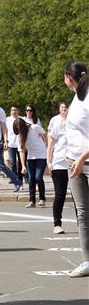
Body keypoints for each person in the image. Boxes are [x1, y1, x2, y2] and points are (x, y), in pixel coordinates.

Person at [63, 61, 89, 278]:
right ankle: (87, 260)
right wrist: (69, 153)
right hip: (74, 161)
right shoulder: (76, 96)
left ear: (70, 78)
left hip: (84, 161)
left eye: (65, 77)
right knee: (82, 213)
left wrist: (81, 158)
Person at [14, 117, 47, 208]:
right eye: (17, 130)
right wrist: (23, 165)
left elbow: (44, 133)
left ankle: (42, 199)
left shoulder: (34, 127)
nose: (19, 132)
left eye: (20, 129)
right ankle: (32, 201)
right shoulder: (19, 137)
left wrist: (46, 145)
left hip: (42, 155)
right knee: (31, 179)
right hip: (31, 157)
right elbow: (21, 151)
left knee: (38, 177)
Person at [47, 102, 69, 234]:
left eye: (66, 108)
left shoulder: (75, 123)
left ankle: (82, 224)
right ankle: (57, 224)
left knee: (79, 196)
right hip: (59, 162)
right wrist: (49, 162)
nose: (64, 109)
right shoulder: (56, 122)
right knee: (60, 194)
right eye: (62, 107)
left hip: (74, 162)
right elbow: (50, 144)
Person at [6, 105, 24, 185]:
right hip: (11, 143)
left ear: (18, 111)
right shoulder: (7, 120)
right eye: (12, 110)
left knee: (21, 162)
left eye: (16, 110)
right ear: (10, 111)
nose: (14, 111)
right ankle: (13, 177)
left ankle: (22, 177)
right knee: (12, 162)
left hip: (20, 143)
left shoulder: (21, 119)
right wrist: (5, 141)